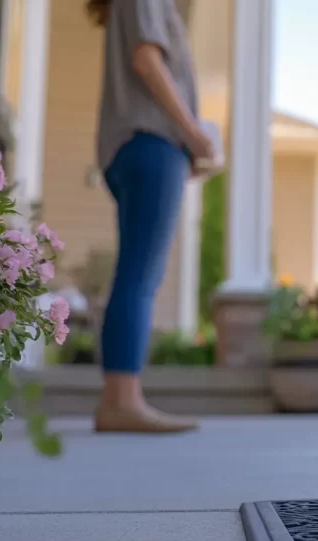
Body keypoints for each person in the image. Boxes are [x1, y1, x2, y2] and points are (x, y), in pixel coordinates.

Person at [86, 0, 216, 433]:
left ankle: (118, 398)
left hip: (138, 146)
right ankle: (122, 400)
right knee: (140, 277)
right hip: (151, 144)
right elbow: (147, 59)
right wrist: (193, 134)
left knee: (135, 274)